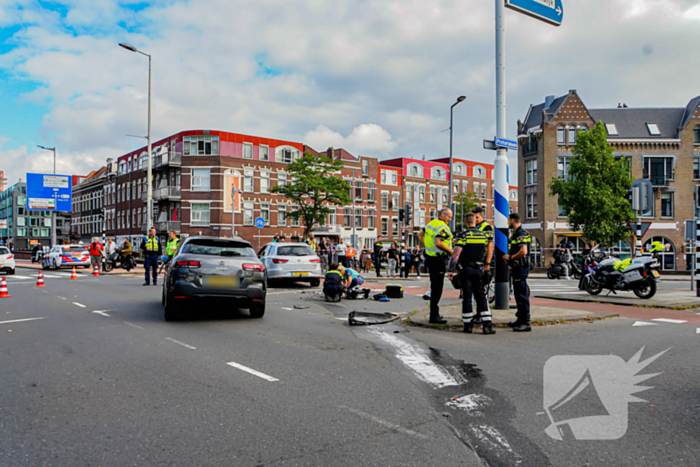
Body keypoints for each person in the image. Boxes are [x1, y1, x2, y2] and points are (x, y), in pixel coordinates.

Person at [449, 212, 495, 335]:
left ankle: (468, 326)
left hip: (466, 270)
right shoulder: (483, 235)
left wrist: (450, 270)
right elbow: (489, 248)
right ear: (475, 221)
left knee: (467, 297)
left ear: (466, 222)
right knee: (481, 296)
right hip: (479, 269)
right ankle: (487, 326)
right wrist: (487, 265)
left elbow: (456, 255)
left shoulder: (463, 235)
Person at [417, 208, 454, 324]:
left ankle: (434, 313)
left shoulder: (430, 224)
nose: (449, 220)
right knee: (437, 289)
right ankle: (434, 315)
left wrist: (427, 248)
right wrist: (450, 251)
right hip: (438, 259)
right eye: (449, 217)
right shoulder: (442, 226)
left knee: (434, 286)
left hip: (430, 258)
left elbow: (419, 235)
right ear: (442, 215)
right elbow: (438, 243)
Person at [503, 213, 532, 332]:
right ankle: (520, 319)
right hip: (517, 267)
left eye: (508, 220)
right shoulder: (516, 233)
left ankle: (526, 322)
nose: (507, 222)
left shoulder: (521, 234)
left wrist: (510, 257)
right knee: (517, 293)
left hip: (521, 267)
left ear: (513, 221)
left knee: (521, 294)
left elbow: (523, 251)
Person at [472, 207, 495, 325]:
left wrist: (488, 263)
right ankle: (479, 313)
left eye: (477, 217)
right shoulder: (475, 227)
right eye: (474, 217)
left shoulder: (486, 227)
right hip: (476, 262)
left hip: (484, 261)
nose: (475, 219)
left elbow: (490, 246)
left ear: (482, 216)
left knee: (482, 291)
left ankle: (483, 315)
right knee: (477, 290)